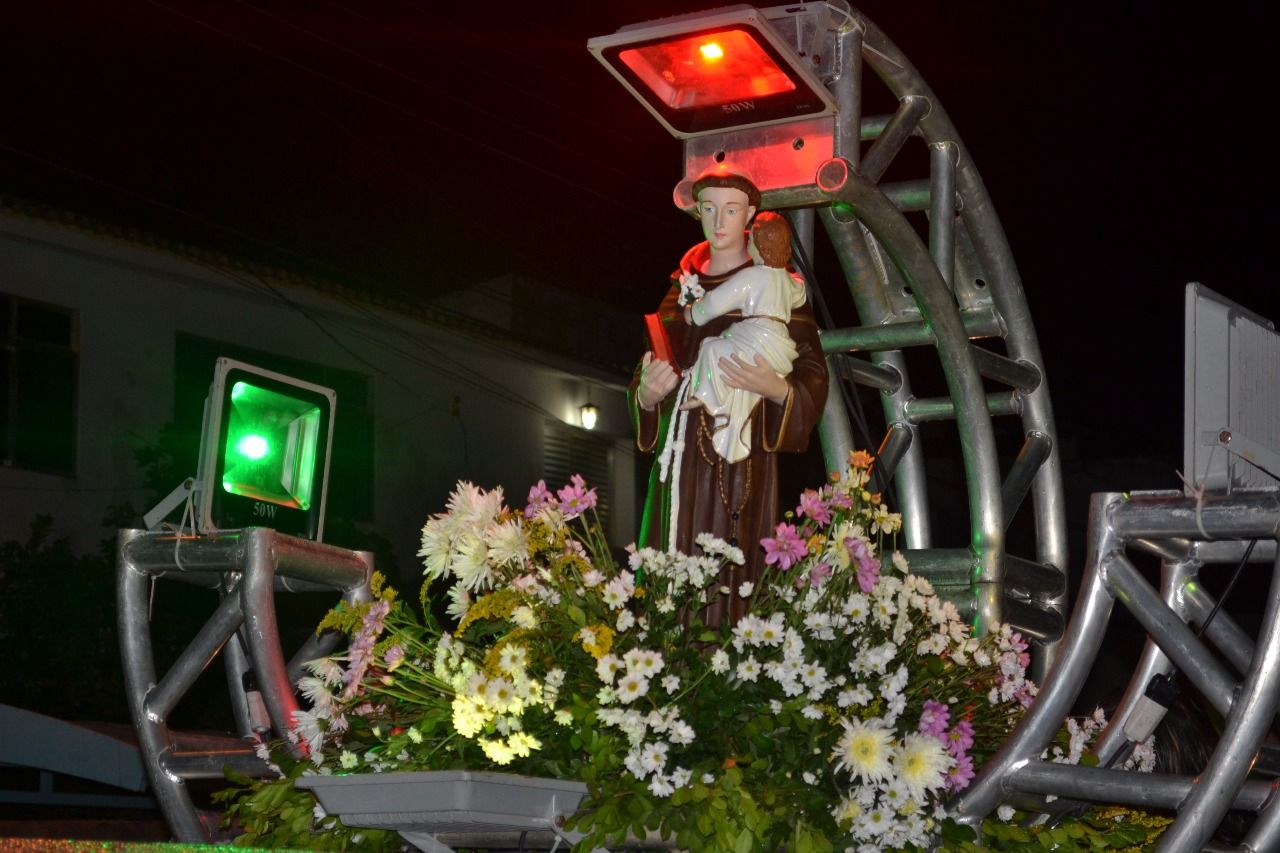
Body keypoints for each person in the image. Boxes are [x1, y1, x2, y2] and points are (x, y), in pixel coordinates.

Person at [629, 170, 829, 624]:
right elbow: (650, 362)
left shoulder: (778, 286)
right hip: (679, 458)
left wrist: (775, 388)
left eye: (731, 209)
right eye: (709, 209)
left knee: (731, 570)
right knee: (670, 562)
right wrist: (646, 394)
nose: (719, 221)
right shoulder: (681, 286)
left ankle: (724, 665)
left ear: (750, 217)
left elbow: (814, 375)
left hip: (744, 456)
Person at [679, 211, 806, 465]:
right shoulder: (786, 279)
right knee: (716, 346)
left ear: (759, 245)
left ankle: (706, 397)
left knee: (712, 348)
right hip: (778, 346)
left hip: (758, 337)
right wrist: (793, 280)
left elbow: (715, 302)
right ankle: (725, 412)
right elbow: (800, 295)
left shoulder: (752, 276)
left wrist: (693, 313)